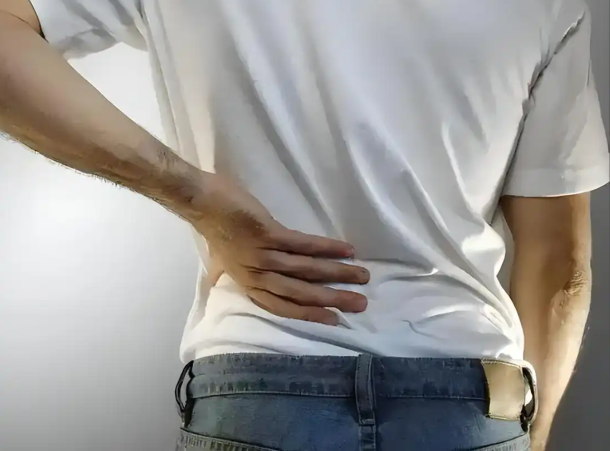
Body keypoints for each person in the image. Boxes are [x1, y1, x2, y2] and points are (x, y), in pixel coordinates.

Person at [1, 0, 608, 450]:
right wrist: (529, 439)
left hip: (259, 389)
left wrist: (192, 194)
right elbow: (562, 268)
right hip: (465, 405)